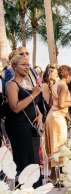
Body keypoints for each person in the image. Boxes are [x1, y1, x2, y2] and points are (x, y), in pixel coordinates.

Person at [5, 54, 43, 187]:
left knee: (34, 161)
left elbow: (34, 103)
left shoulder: (28, 83)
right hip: (18, 127)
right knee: (25, 161)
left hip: (31, 127)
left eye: (28, 65)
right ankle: (26, 193)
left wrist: (40, 115)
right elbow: (15, 107)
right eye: (23, 65)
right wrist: (33, 94)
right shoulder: (11, 85)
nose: (27, 67)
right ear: (14, 67)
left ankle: (35, 192)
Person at [45, 65, 71, 180]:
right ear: (69, 75)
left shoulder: (56, 84)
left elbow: (53, 102)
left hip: (52, 116)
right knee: (59, 146)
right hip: (57, 117)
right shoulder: (64, 86)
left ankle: (53, 175)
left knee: (52, 145)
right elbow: (61, 104)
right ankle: (57, 176)